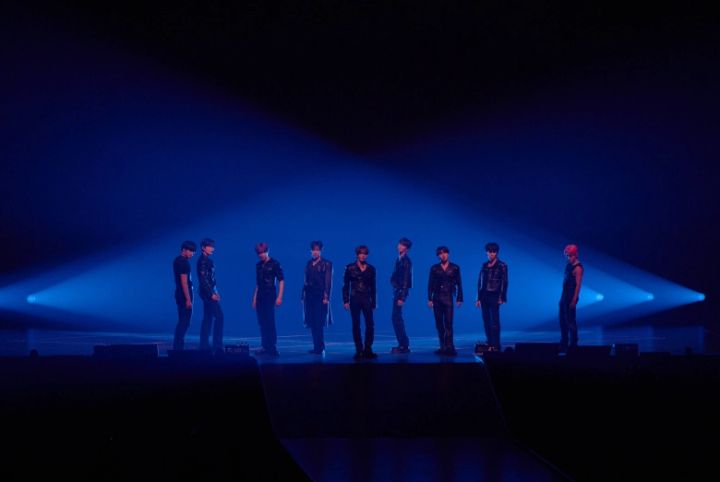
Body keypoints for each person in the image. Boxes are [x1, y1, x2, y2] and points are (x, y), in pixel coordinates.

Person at [342, 245, 377, 360]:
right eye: (361, 253)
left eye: (365, 253)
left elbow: (373, 287)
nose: (363, 255)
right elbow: (345, 285)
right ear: (357, 254)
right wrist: (346, 300)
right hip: (355, 298)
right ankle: (359, 350)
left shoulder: (371, 269)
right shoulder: (350, 268)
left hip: (367, 298)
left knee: (370, 324)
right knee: (356, 324)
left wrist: (374, 302)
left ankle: (368, 349)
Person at [428, 246, 463, 356]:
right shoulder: (434, 268)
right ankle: (443, 347)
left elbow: (459, 284)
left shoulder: (455, 268)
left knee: (448, 323)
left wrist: (459, 298)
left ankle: (450, 347)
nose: (443, 255)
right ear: (438, 256)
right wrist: (429, 299)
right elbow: (430, 284)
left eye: (445, 253)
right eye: (440, 253)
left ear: (448, 254)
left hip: (448, 298)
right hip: (437, 298)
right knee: (439, 324)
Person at [475, 242, 508, 352]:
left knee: (494, 321)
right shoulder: (484, 265)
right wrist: (478, 298)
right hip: (484, 296)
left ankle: (496, 344)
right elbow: (480, 282)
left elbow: (504, 282)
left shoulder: (502, 265)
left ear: (497, 253)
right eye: (490, 252)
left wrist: (502, 297)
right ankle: (489, 342)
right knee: (486, 320)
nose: (492, 254)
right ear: (487, 252)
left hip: (494, 295)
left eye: (494, 252)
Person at [253, 242, 284, 357]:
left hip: (270, 295)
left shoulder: (275, 263)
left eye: (263, 252)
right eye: (259, 253)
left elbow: (281, 280)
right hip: (260, 295)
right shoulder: (258, 265)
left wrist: (279, 296)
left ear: (267, 251)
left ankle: (272, 347)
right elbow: (258, 284)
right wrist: (254, 298)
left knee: (270, 321)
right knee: (262, 322)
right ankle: (265, 346)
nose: (261, 255)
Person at [301, 241, 333, 355]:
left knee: (319, 322)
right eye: (313, 250)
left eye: (317, 250)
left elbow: (328, 281)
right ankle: (316, 347)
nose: (315, 252)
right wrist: (302, 295)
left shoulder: (326, 263)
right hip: (309, 296)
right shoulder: (309, 263)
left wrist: (326, 296)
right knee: (312, 322)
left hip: (320, 296)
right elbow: (305, 280)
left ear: (320, 251)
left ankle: (320, 347)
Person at [197, 238, 224, 353]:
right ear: (203, 247)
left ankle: (204, 345)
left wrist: (215, 291)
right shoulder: (203, 261)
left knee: (208, 318)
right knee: (219, 316)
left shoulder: (207, 260)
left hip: (208, 292)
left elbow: (211, 279)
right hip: (207, 293)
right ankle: (217, 345)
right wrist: (211, 294)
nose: (212, 248)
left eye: (213, 246)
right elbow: (203, 279)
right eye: (210, 246)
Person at [390, 237, 413, 354]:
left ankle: (404, 345)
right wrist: (393, 282)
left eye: (402, 245)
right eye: (399, 244)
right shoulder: (399, 259)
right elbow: (396, 276)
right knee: (396, 318)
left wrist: (402, 296)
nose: (399, 246)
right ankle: (402, 344)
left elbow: (405, 280)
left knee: (397, 318)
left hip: (400, 292)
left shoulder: (406, 261)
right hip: (398, 291)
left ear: (406, 248)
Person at [559, 244, 583, 352]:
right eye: (567, 256)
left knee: (570, 321)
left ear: (575, 255)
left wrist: (574, 300)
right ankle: (564, 341)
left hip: (571, 296)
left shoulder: (578, 268)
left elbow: (578, 286)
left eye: (570, 256)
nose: (568, 258)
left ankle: (574, 343)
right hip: (564, 296)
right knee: (562, 321)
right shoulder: (568, 265)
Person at [172, 240, 196, 350]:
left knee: (183, 321)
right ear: (184, 250)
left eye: (193, 251)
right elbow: (184, 282)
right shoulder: (183, 262)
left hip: (179, 293)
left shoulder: (177, 260)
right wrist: (188, 299)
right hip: (184, 294)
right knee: (184, 322)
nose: (192, 254)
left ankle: (178, 346)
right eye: (190, 251)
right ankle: (178, 348)